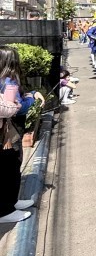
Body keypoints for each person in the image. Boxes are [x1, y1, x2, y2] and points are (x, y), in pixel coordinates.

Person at [0, 47, 44, 224]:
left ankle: (12, 201)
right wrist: (32, 100)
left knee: (11, 167)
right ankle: (5, 210)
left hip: (8, 129)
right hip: (7, 132)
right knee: (10, 167)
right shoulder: (9, 81)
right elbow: (13, 108)